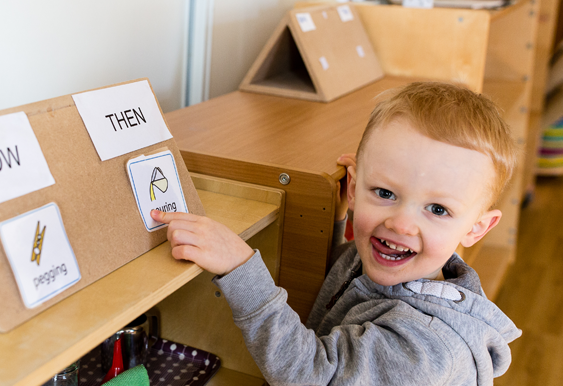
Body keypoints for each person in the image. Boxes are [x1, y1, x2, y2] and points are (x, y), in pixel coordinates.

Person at [150, 82, 522, 385]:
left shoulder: (423, 351)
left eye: (438, 210)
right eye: (384, 193)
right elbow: (340, 280)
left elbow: (315, 375)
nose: (400, 224)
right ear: (354, 187)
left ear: (477, 229)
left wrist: (240, 268)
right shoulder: (394, 261)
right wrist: (339, 216)